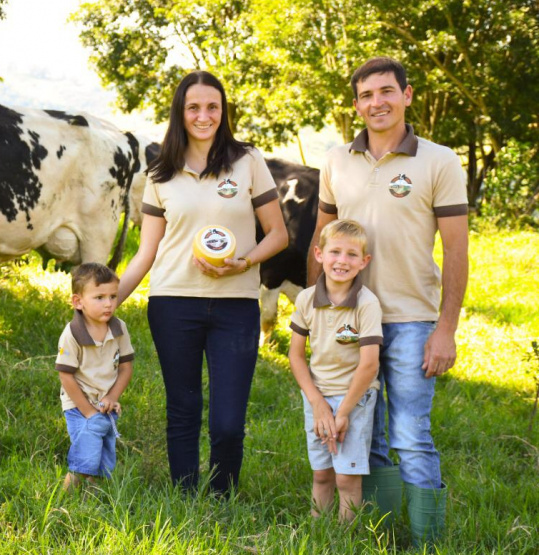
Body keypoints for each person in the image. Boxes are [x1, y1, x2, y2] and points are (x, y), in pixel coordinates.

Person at [307, 57, 468, 545]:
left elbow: (457, 250)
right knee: (363, 434)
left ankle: (426, 540)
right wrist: (314, 308)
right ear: (356, 105)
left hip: (412, 320)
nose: (376, 102)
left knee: (411, 436)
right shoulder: (336, 160)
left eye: (386, 92)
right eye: (366, 95)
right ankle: (375, 532)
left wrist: (446, 328)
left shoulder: (439, 160)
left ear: (407, 95)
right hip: (350, 321)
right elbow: (322, 236)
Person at [118, 70, 288, 496]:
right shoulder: (160, 174)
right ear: (180, 112)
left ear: (223, 111)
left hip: (236, 305)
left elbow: (279, 234)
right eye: (194, 106)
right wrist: (105, 303)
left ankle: (222, 496)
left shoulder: (247, 161)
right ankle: (184, 495)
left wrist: (243, 262)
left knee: (229, 420)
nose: (204, 115)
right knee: (184, 408)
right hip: (173, 303)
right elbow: (146, 252)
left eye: (213, 106)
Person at [289, 219, 382, 522]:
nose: (342, 261)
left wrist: (342, 412)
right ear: (319, 254)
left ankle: (347, 540)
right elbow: (296, 356)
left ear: (364, 261)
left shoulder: (367, 304)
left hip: (354, 399)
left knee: (346, 478)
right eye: (335, 252)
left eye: (352, 255)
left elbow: (369, 364)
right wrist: (317, 403)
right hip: (316, 396)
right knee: (321, 475)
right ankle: (319, 536)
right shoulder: (305, 299)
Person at [55, 262, 134, 491]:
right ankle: (66, 494)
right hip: (79, 404)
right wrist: (88, 411)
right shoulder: (73, 333)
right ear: (78, 302)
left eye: (113, 296)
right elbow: (66, 376)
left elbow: (126, 367)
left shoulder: (119, 328)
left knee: (103, 451)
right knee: (87, 452)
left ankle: (91, 497)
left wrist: (112, 397)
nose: (108, 304)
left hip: (106, 405)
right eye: (99, 297)